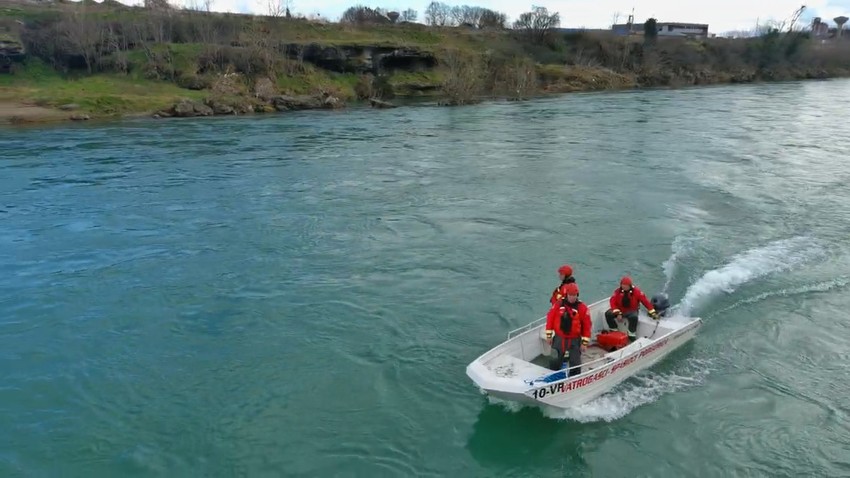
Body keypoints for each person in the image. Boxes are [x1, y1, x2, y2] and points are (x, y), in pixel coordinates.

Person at [544, 282, 591, 375]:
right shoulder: (558, 304)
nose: (572, 297)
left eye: (574, 295)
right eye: (570, 295)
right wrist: (549, 336)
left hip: (574, 340)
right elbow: (550, 318)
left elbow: (587, 326)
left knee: (575, 363)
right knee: (554, 360)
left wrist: (584, 343)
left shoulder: (582, 308)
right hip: (559, 338)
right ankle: (553, 374)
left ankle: (574, 380)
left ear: (577, 295)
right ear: (566, 295)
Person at [605, 276, 659, 342]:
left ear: (630, 285)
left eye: (626, 285)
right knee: (608, 314)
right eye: (623, 285)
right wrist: (618, 313)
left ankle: (631, 334)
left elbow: (645, 302)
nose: (624, 286)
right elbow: (612, 302)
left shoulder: (637, 292)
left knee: (634, 317)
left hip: (631, 311)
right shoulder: (617, 292)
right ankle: (614, 330)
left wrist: (652, 312)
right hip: (620, 310)